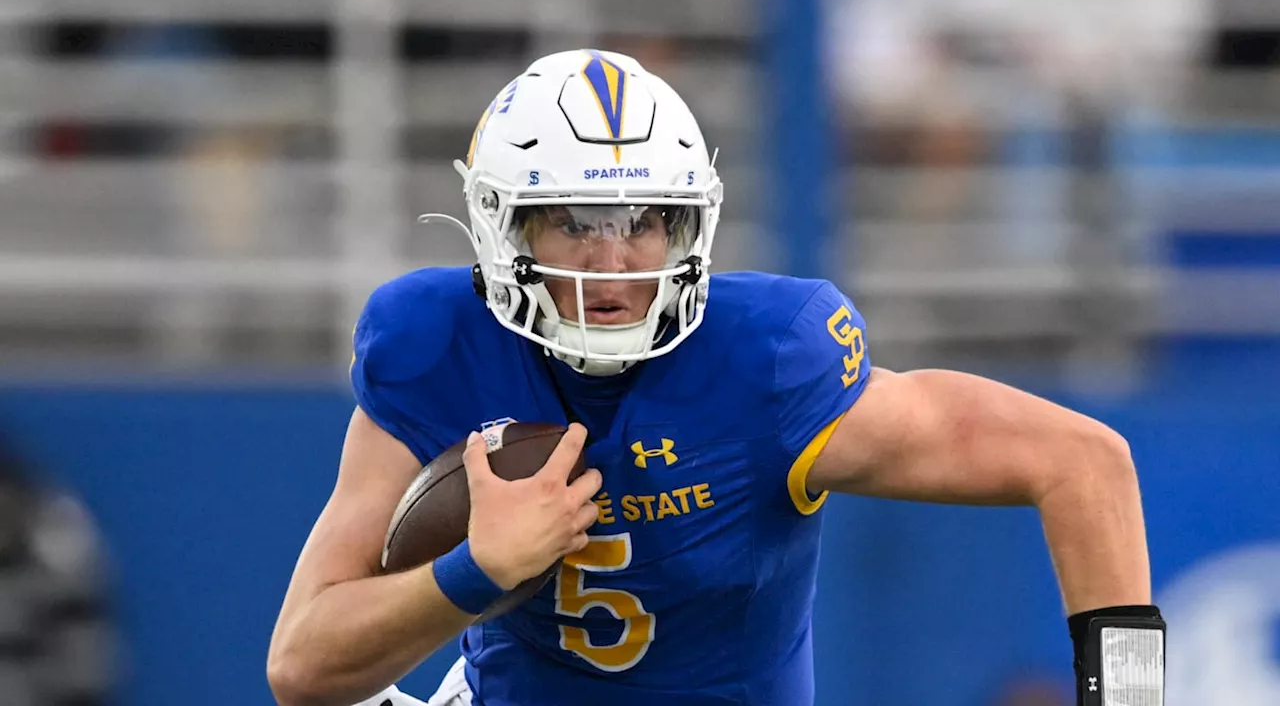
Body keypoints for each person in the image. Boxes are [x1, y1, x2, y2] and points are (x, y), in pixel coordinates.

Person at [267, 49, 1164, 706]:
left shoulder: (770, 362)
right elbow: (302, 666)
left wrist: (1129, 702)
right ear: (506, 228)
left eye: (646, 220)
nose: (613, 261)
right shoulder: (437, 343)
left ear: (689, 226)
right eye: (574, 222)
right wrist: (474, 571)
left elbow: (1084, 465)